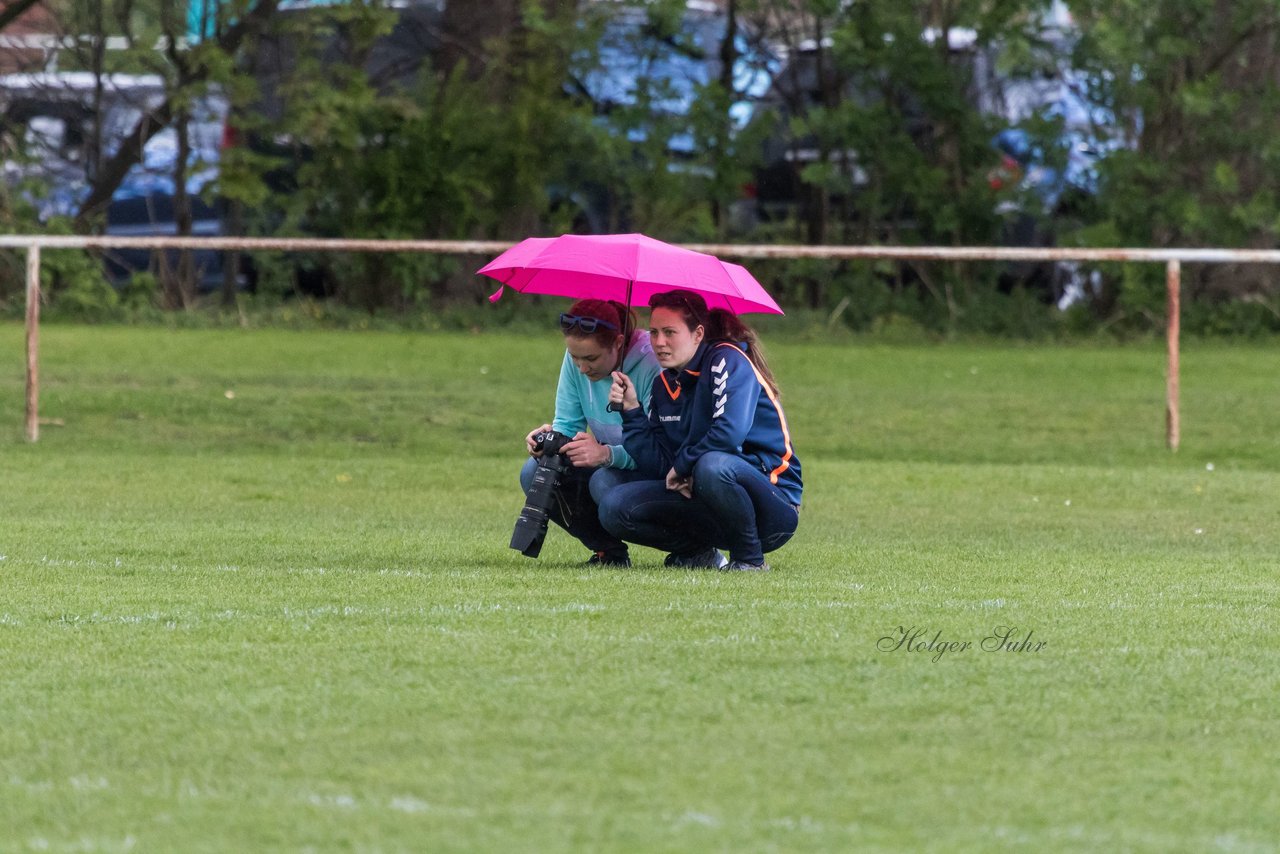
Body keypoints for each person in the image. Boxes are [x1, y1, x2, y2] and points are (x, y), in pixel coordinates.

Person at [601, 289, 802, 571]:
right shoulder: (663, 385)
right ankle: (698, 553)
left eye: (670, 332)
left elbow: (728, 435)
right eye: (654, 332)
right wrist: (632, 412)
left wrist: (683, 466)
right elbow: (661, 465)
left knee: (713, 465)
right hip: (706, 496)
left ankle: (750, 560)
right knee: (613, 504)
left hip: (773, 505)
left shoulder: (726, 360)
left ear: (697, 334)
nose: (659, 342)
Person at [520, 298, 661, 567]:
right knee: (534, 470)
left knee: (604, 483)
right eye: (575, 358)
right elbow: (567, 425)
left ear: (618, 343)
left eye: (591, 358)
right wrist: (548, 441)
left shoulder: (652, 365)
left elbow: (660, 451)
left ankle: (694, 549)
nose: (582, 368)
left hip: (657, 472)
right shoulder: (577, 363)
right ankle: (609, 553)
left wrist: (607, 454)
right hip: (611, 464)